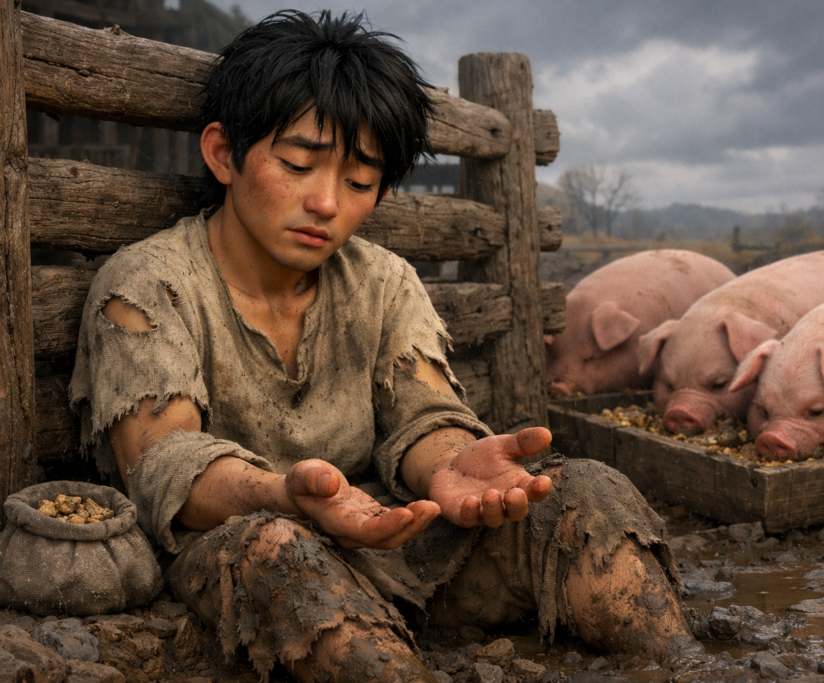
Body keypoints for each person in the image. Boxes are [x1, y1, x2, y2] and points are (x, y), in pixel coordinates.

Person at [70, 10, 693, 682]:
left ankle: (688, 668)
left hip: (388, 535)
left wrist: (451, 464)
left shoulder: (382, 280)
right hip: (251, 553)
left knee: (587, 489)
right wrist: (283, 494)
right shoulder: (146, 285)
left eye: (359, 182)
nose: (327, 202)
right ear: (224, 153)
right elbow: (165, 463)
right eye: (299, 164)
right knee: (277, 547)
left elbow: (424, 413)